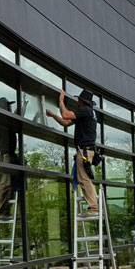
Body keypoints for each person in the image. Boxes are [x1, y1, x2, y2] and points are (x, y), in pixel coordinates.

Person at [46, 89, 99, 217]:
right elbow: (65, 122)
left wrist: (61, 101)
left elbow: (65, 115)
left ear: (82, 101)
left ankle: (94, 207)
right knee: (84, 178)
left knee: (83, 179)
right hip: (87, 150)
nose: (77, 103)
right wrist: (53, 115)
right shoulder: (87, 114)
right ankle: (94, 205)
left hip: (84, 151)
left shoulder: (85, 111)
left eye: (78, 100)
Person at [0, 97, 18, 222]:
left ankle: (5, 211)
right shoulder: (0, 119)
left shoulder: (3, 120)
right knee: (5, 183)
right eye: (8, 106)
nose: (10, 108)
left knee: (10, 184)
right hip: (4, 155)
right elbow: (11, 122)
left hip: (8, 154)